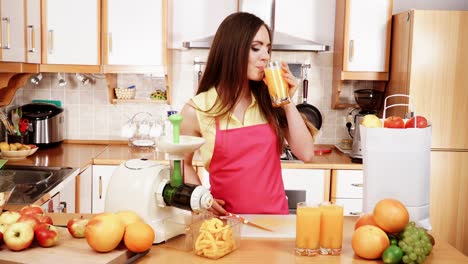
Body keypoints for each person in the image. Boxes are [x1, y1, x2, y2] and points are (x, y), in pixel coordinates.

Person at [180, 12, 316, 215]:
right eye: (256, 48)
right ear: (231, 50)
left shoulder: (271, 100)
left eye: (268, 49)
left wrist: (287, 102)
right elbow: (183, 164)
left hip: (275, 224)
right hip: (226, 224)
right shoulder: (197, 109)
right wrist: (202, 199)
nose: (266, 56)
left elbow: (306, 154)